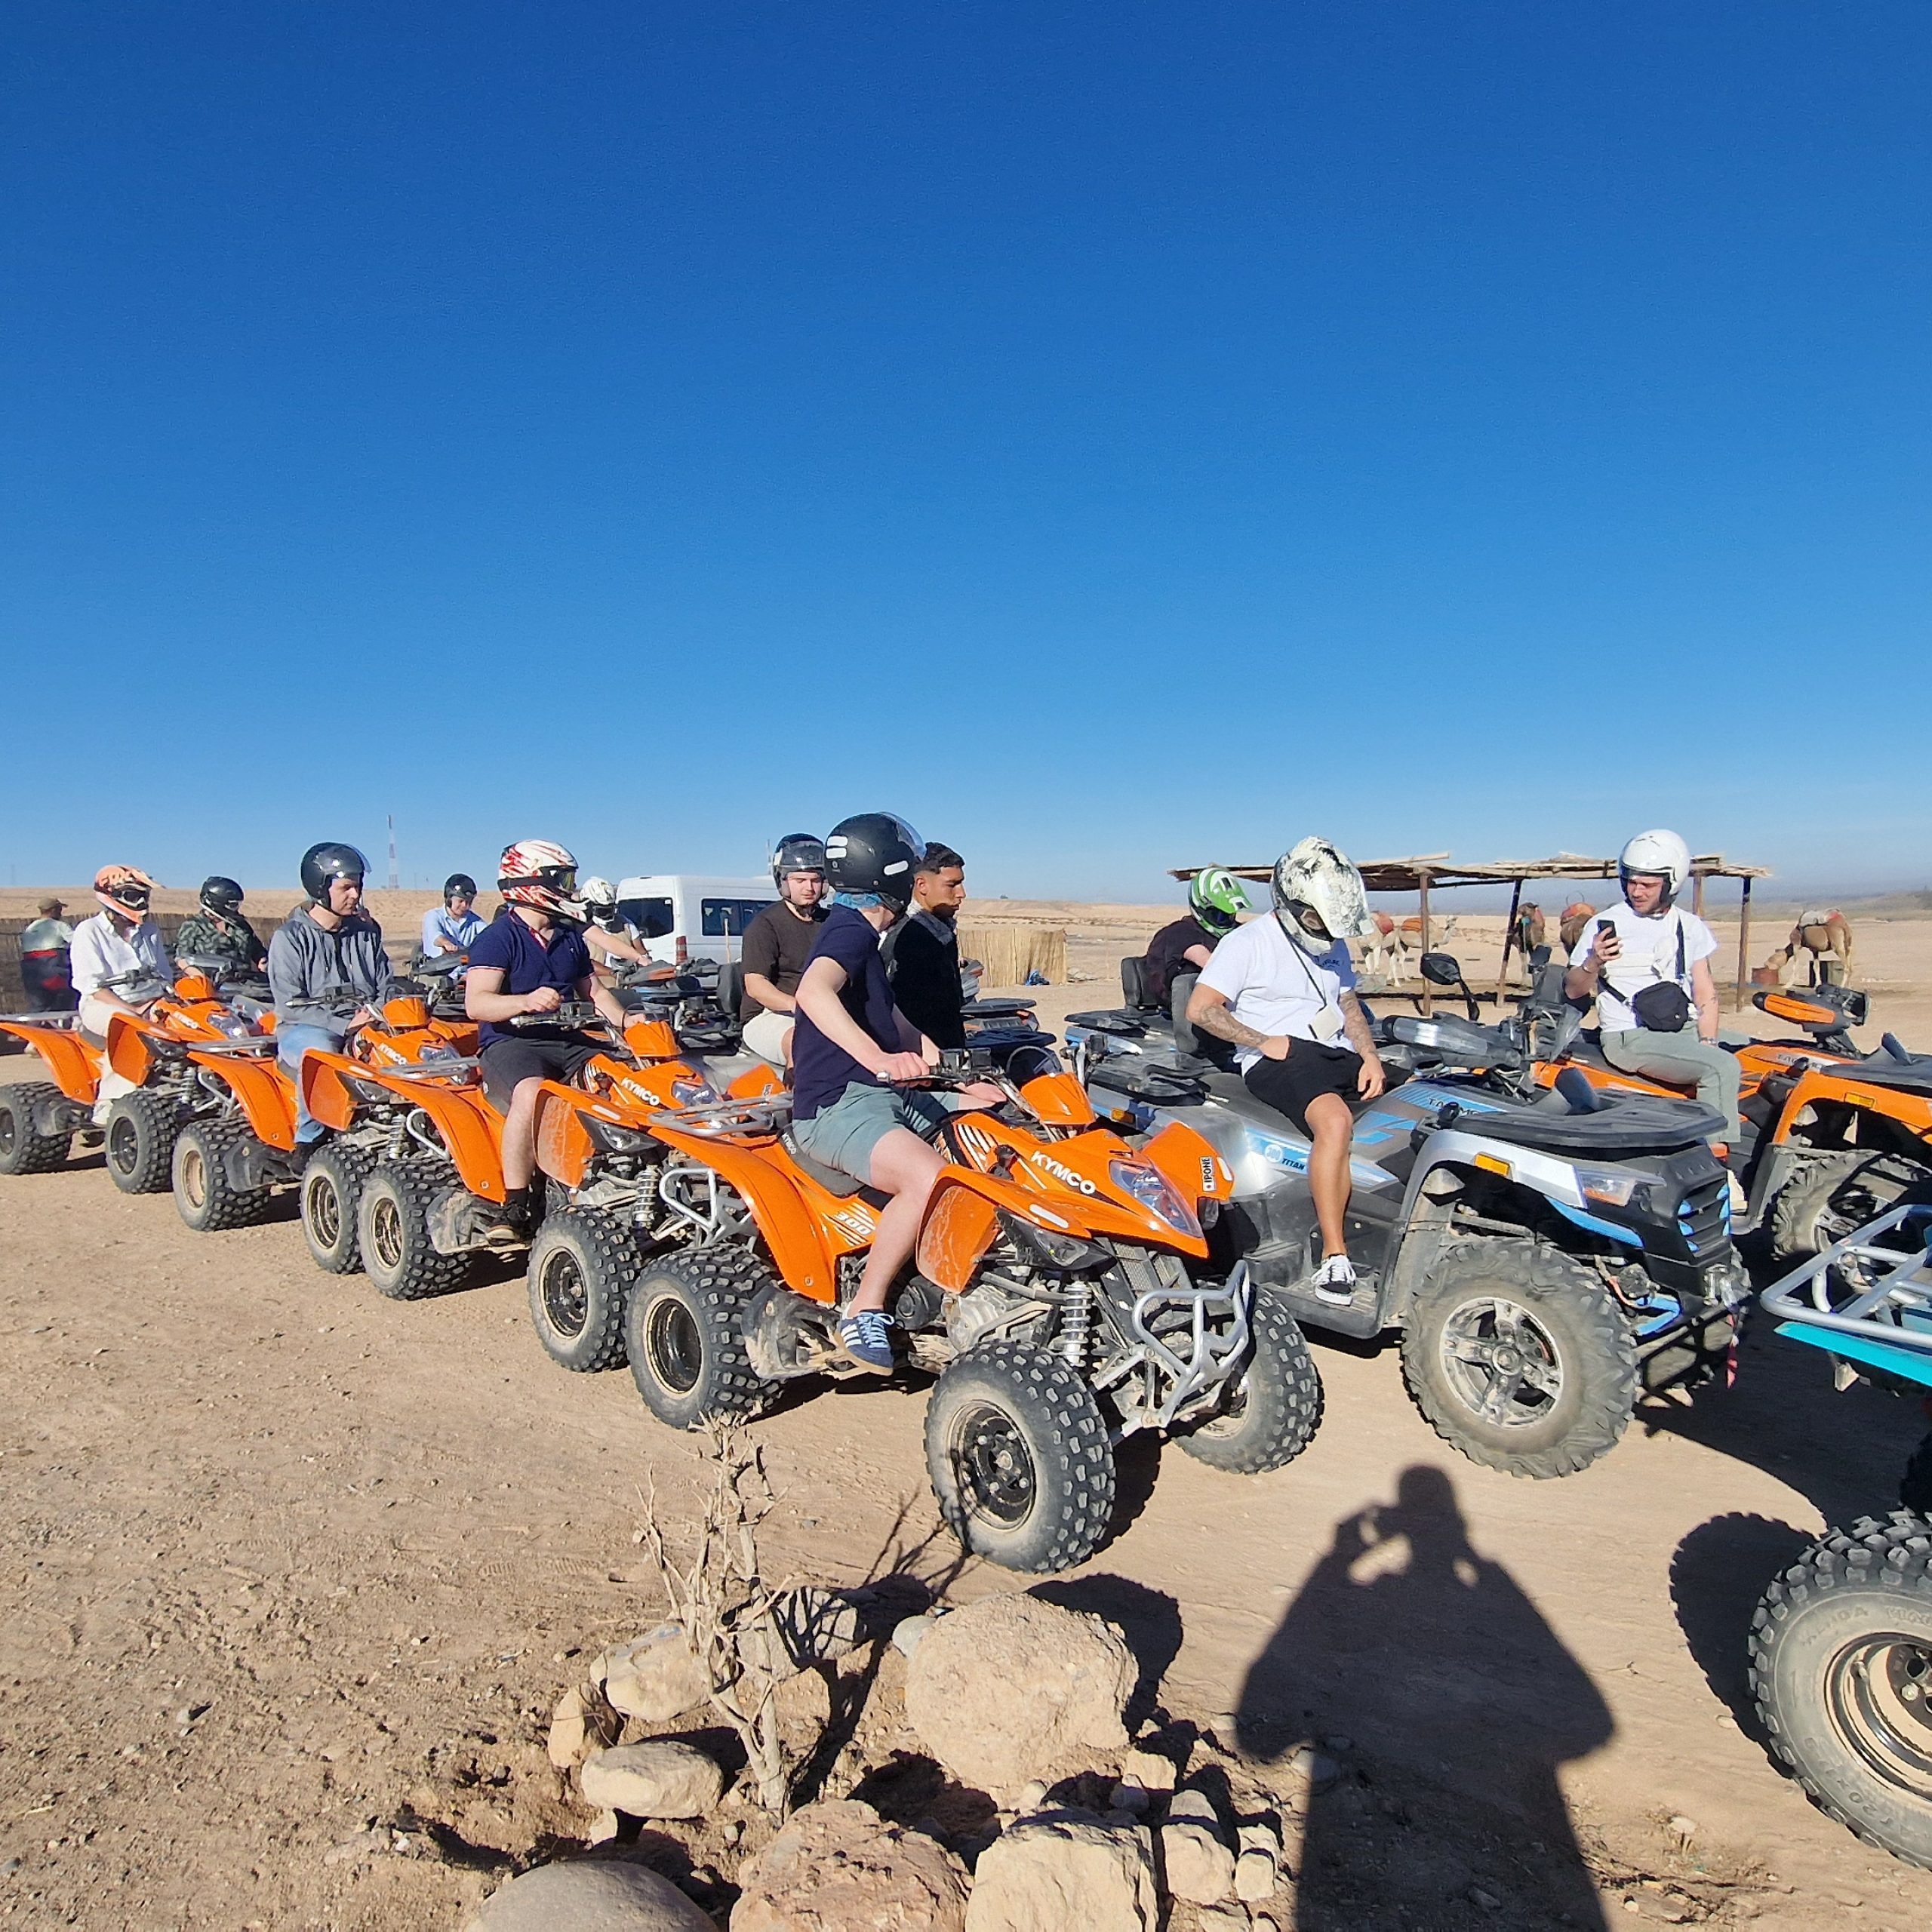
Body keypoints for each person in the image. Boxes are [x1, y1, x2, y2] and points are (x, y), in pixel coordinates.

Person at [790, 814, 1001, 1371]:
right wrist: (878, 1059)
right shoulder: (850, 931)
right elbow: (813, 993)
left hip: (887, 1093)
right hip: (838, 1103)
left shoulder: (867, 932)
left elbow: (897, 1025)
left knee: (993, 1119)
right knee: (926, 1177)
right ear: (897, 876)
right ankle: (866, 1305)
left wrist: (955, 1075)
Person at [1187, 838, 1385, 1306]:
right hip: (1280, 1056)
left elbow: (1348, 1004)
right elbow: (1201, 1009)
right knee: (1334, 1122)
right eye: (1315, 918)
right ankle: (1334, 1256)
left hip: (1331, 1047)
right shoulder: (1248, 943)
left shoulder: (1333, 945)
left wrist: (1371, 1055)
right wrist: (1262, 1041)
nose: (1322, 929)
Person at [464, 840, 630, 1238]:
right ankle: (515, 1203)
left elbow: (595, 992)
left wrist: (629, 1024)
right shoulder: (497, 937)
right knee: (532, 1093)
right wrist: (525, 1001)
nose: (570, 888)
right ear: (531, 882)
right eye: (563, 879)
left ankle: (621, 1179)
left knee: (623, 1077)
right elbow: (477, 1004)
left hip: (568, 1038)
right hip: (511, 1043)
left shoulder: (569, 936)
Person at [1563, 829, 1741, 1150]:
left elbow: (1705, 992)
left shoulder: (1689, 926)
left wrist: (1708, 1041)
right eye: (1632, 882)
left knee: (1750, 1052)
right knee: (1723, 1067)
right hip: (1630, 1035)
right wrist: (1593, 962)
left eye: (1648, 884)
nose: (1637, 891)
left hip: (1679, 1027)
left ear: (1671, 884)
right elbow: (1574, 991)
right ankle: (1717, 1161)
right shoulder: (1604, 923)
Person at [267, 843, 392, 1149]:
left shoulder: (366, 933)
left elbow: (386, 983)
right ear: (320, 888)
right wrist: (344, 1025)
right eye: (347, 888)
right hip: (307, 1029)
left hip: (367, 1021)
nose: (356, 895)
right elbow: (291, 1005)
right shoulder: (290, 939)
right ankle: (309, 1139)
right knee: (323, 1054)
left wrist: (377, 1014)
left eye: (359, 887)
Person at [69, 866, 174, 1120]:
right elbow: (92, 986)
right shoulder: (89, 931)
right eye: (132, 895)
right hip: (103, 1004)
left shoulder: (149, 931)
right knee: (131, 1028)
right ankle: (109, 1102)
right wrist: (133, 1011)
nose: (140, 903)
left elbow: (163, 974)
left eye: (143, 896)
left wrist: (164, 1000)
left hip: (150, 1000)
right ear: (111, 895)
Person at [738, 835, 828, 1066]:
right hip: (771, 1015)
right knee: (804, 1042)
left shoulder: (833, 922)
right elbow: (756, 986)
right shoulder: (765, 925)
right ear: (783, 881)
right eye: (800, 880)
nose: (809, 888)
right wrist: (797, 1006)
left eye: (815, 880)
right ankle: (801, 1097)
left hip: (826, 1010)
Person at [879, 842, 969, 1051]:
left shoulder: (938, 930)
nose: (962, 893)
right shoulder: (907, 937)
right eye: (952, 885)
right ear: (922, 885)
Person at [1142, 866, 1251, 1008]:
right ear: (1200, 908)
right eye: (1219, 915)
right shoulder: (1181, 933)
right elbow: (1214, 966)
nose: (1225, 920)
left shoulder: (1235, 930)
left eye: (1230, 915)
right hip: (1188, 1012)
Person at [174, 876, 267, 976]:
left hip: (247, 983)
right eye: (233, 905)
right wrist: (202, 980)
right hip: (213, 985)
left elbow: (257, 950)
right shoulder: (193, 926)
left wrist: (263, 961)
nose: (236, 909)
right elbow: (182, 961)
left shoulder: (241, 925)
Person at [577, 876, 654, 970]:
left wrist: (643, 961)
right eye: (602, 911)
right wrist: (612, 973)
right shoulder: (580, 929)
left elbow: (641, 951)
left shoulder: (626, 924)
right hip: (596, 982)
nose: (607, 915)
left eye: (610, 910)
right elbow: (583, 963)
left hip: (625, 982)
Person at [17, 897, 77, 1012]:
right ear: (53, 910)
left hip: (31, 971)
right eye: (59, 909)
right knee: (66, 1001)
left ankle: (32, 1029)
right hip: (53, 967)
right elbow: (77, 942)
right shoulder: (58, 926)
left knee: (38, 1006)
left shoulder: (31, 928)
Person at [420, 874, 485, 964]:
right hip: (435, 971)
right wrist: (446, 943)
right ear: (449, 899)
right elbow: (436, 936)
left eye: (469, 901)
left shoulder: (475, 921)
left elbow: (488, 934)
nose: (465, 905)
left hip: (466, 970)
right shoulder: (433, 916)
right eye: (461, 901)